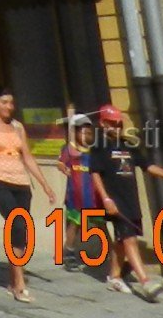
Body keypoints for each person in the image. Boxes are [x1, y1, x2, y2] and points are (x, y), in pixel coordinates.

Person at [88, 104, 163, 299]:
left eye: (119, 123)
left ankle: (114, 277)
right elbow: (95, 175)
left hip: (131, 200)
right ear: (102, 124)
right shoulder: (99, 146)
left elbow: (148, 166)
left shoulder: (128, 145)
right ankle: (145, 281)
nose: (117, 127)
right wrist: (106, 199)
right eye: (112, 123)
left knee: (121, 242)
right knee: (130, 240)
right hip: (115, 201)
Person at [0, 85, 57, 304]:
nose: (9, 107)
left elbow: (27, 156)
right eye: (4, 102)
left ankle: (13, 278)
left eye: (11, 102)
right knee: (17, 225)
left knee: (22, 230)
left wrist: (45, 184)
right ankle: (19, 284)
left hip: (20, 183)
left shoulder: (18, 127)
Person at [58, 112, 100, 272]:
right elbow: (60, 163)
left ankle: (109, 251)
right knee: (75, 225)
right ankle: (68, 253)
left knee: (99, 223)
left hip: (92, 196)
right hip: (75, 196)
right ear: (74, 132)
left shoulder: (94, 150)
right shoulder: (69, 149)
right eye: (82, 131)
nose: (86, 135)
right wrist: (63, 167)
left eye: (89, 132)